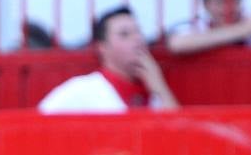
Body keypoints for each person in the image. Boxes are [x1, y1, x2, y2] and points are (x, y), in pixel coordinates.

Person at [39, 6, 179, 114]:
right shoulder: (82, 90)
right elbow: (40, 121)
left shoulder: (155, 91)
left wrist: (160, 87)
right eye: (125, 34)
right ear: (102, 47)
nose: (138, 39)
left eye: (139, 31)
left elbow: (181, 135)